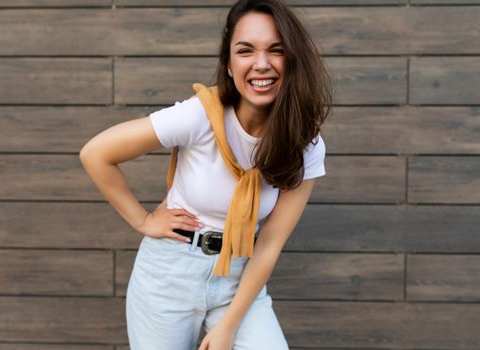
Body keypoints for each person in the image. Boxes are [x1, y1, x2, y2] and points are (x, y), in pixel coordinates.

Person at [79, 0, 332, 349]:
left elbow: (270, 243)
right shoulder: (200, 116)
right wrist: (143, 220)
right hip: (168, 277)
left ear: (293, 60)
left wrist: (229, 325)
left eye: (277, 50)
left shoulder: (305, 143)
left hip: (238, 280)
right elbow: (96, 154)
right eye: (246, 51)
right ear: (229, 64)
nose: (262, 64)